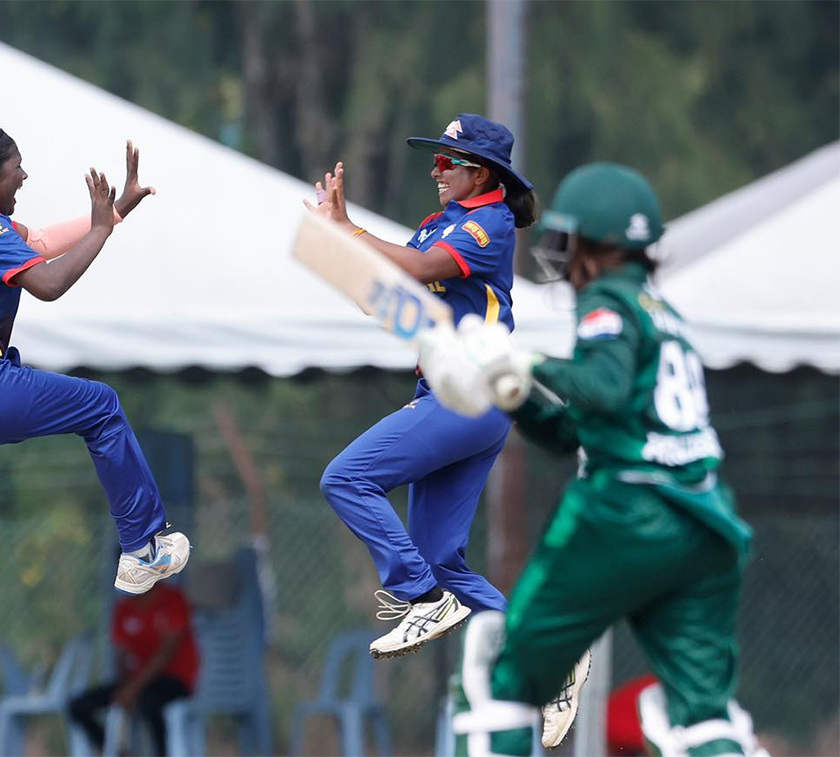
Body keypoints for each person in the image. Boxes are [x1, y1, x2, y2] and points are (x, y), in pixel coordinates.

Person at [437, 163, 755, 755]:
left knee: (498, 680)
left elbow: (602, 388)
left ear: (592, 245)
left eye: (565, 239)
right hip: (709, 522)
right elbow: (572, 431)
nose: (558, 255)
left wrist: (525, 361)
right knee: (703, 715)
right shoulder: (666, 317)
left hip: (628, 512)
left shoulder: (607, 300)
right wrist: (516, 393)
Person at [0, 125, 190, 744]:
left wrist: (115, 212)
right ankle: (143, 544)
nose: (25, 177)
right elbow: (48, 282)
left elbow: (44, 243)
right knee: (101, 407)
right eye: (16, 169)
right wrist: (104, 230)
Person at [306, 113, 538, 659]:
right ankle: (552, 655)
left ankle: (419, 597)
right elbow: (390, 292)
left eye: (446, 162)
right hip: (448, 397)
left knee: (346, 479)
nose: (435, 170)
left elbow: (416, 267)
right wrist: (330, 246)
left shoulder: (491, 222)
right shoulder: (441, 221)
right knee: (439, 565)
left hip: (471, 394)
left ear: (481, 174)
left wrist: (349, 230)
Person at [67, 584, 199, 756]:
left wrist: (133, 689)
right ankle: (120, 754)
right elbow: (121, 656)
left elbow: (165, 655)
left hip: (174, 681)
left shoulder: (172, 600)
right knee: (78, 706)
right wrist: (125, 688)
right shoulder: (124, 608)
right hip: (135, 683)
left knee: (150, 700)